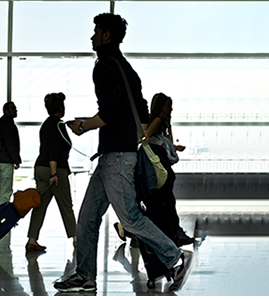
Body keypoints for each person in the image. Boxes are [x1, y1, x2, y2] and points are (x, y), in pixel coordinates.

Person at [55, 13, 190, 293]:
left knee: (129, 218)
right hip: (112, 157)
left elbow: (108, 113)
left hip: (117, 158)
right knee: (88, 218)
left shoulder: (103, 67)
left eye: (95, 31)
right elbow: (142, 117)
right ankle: (84, 275)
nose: (91, 37)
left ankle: (175, 258)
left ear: (106, 36)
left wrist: (82, 125)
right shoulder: (128, 70)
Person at [25, 93, 77, 252]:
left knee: (40, 206)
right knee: (66, 205)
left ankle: (32, 240)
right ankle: (77, 238)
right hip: (54, 169)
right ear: (60, 107)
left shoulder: (45, 124)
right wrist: (54, 173)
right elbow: (54, 149)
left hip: (40, 167)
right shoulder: (59, 125)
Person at [143, 93, 194, 246]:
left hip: (160, 161)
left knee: (166, 201)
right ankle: (174, 233)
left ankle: (173, 232)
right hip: (158, 162)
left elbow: (167, 141)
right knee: (167, 200)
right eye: (168, 106)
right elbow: (147, 137)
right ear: (161, 107)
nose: (171, 109)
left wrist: (170, 129)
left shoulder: (163, 122)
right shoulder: (157, 120)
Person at [0, 102, 22, 208]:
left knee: (0, 189)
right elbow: (10, 145)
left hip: (2, 161)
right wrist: (17, 160)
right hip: (6, 161)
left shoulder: (1, 123)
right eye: (13, 108)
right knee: (6, 190)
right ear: (6, 111)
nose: (16, 110)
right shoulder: (8, 125)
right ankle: (2, 216)